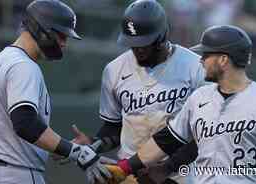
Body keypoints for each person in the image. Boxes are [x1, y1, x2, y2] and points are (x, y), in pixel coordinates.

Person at [103, 25, 256, 183]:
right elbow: (166, 141)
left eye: (207, 55)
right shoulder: (199, 98)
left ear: (223, 60)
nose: (200, 60)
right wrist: (125, 168)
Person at [0, 1, 115, 184]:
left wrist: (62, 147)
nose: (64, 44)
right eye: (61, 35)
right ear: (41, 29)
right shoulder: (23, 65)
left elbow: (17, 129)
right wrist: (77, 152)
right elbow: (25, 124)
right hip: (15, 175)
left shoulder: (1, 60)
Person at [68, 0, 206, 183]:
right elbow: (114, 128)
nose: (138, 50)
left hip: (180, 173)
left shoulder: (196, 67)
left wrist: (167, 168)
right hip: (130, 171)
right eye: (132, 43)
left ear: (162, 36)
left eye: (144, 43)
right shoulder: (114, 70)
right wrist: (95, 144)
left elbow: (205, 134)